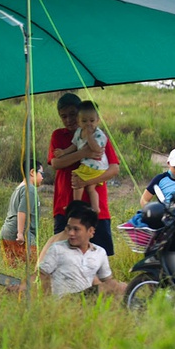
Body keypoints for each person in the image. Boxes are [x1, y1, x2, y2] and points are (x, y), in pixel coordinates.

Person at [48, 93, 118, 255]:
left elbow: (114, 169)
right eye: (63, 116)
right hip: (65, 208)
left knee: (97, 259)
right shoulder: (58, 135)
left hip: (95, 209)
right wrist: (83, 152)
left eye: (73, 114)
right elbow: (56, 163)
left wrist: (86, 182)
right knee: (64, 258)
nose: (68, 120)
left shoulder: (99, 135)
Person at [38, 207, 124, 297]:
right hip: (66, 300)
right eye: (69, 228)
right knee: (110, 288)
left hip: (85, 299)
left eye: (76, 229)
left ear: (91, 231)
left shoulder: (99, 252)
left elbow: (107, 280)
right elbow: (41, 274)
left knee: (121, 288)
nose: (71, 233)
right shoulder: (57, 248)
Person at [0, 163, 42, 265]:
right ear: (32, 172)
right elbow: (22, 211)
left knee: (13, 273)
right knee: (33, 268)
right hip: (19, 238)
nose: (42, 177)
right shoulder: (30, 189)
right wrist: (20, 233)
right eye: (41, 173)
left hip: (6, 234)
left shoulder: (19, 188)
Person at [71, 101, 108, 214]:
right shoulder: (78, 132)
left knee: (77, 179)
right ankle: (95, 208)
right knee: (90, 188)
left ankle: (76, 206)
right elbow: (74, 146)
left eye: (92, 121)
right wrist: (63, 152)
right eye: (84, 121)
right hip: (90, 165)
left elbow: (96, 149)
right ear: (78, 121)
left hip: (95, 166)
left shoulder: (99, 134)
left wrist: (89, 136)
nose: (88, 124)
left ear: (98, 120)